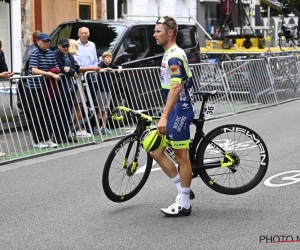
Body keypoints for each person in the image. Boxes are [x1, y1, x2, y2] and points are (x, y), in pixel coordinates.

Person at [152, 16, 194, 216]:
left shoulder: (174, 56)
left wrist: (164, 116)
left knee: (181, 158)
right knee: (156, 152)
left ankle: (184, 203)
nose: (154, 35)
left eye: (158, 31)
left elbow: (176, 87)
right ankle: (183, 190)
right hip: (175, 109)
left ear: (170, 33)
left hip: (180, 110)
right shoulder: (170, 53)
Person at [26, 33, 60, 148]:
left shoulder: (50, 52)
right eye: (44, 42)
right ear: (38, 42)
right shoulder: (35, 53)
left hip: (47, 87)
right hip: (35, 88)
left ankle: (47, 138)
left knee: (48, 113)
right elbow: (34, 70)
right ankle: (37, 140)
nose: (47, 44)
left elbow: (56, 67)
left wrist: (51, 72)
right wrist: (49, 73)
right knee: (37, 114)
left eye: (48, 42)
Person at [74, 27, 100, 137]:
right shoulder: (75, 44)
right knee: (79, 103)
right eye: (82, 33)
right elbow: (74, 62)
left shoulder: (92, 45)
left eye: (86, 33)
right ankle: (79, 128)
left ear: (88, 35)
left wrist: (94, 72)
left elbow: (94, 60)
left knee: (88, 103)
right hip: (79, 76)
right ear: (78, 34)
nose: (84, 35)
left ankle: (86, 127)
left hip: (89, 76)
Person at [53, 38, 80, 143]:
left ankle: (66, 134)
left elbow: (76, 66)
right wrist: (69, 70)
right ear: (58, 46)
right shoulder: (55, 54)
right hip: (60, 88)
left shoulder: (69, 55)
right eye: (63, 46)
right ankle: (58, 135)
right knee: (59, 112)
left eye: (67, 46)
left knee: (68, 113)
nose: (65, 48)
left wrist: (71, 70)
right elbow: (58, 67)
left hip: (69, 87)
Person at [95, 51, 122, 135]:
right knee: (101, 109)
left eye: (110, 57)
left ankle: (104, 126)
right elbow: (97, 69)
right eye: (107, 57)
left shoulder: (111, 65)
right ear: (103, 58)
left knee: (106, 109)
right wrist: (106, 69)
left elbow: (118, 66)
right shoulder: (102, 64)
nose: (109, 59)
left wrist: (120, 68)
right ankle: (96, 127)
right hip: (101, 89)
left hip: (108, 89)